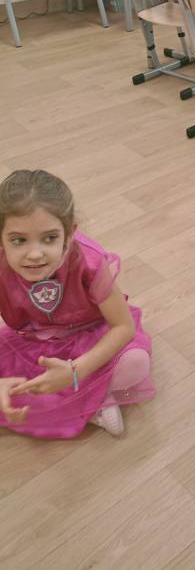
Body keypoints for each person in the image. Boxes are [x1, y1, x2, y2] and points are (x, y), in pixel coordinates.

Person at [0, 169, 154, 438]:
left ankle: (87, 402)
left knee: (135, 363)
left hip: (93, 334)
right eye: (18, 240)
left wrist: (74, 372)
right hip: (34, 343)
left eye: (50, 238)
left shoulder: (90, 263)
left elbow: (123, 327)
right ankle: (90, 403)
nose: (35, 254)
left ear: (69, 232)